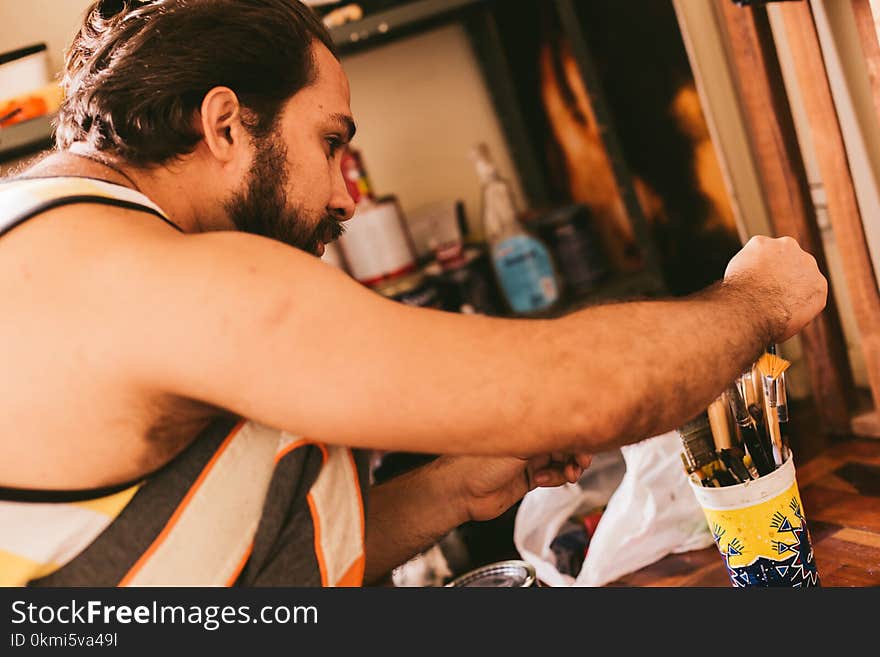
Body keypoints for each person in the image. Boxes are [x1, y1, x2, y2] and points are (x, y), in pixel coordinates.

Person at [0, 0, 827, 587]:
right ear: (226, 126)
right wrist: (757, 299)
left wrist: (449, 490)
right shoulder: (155, 277)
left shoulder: (57, 233)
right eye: (331, 145)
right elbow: (593, 391)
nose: (344, 198)